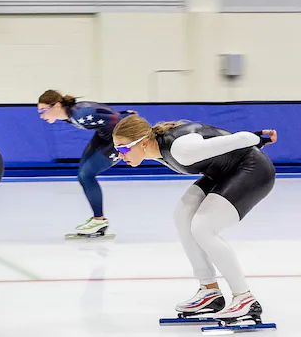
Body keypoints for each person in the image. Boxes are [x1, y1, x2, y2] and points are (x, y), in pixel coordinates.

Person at [113, 115, 277, 323]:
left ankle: (244, 298)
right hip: (224, 172)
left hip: (253, 170)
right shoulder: (154, 148)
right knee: (183, 215)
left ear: (144, 142)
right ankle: (209, 291)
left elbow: (239, 139)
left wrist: (258, 138)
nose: (120, 155)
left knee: (203, 227)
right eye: (117, 149)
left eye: (124, 148)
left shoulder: (181, 149)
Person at [37, 90, 133, 238]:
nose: (42, 116)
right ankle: (98, 219)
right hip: (104, 135)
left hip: (120, 137)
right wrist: (124, 114)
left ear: (56, 105)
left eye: (44, 110)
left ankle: (99, 220)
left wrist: (129, 121)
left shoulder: (80, 115)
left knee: (86, 175)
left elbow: (113, 118)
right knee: (83, 175)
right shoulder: (70, 114)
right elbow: (103, 111)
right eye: (40, 112)